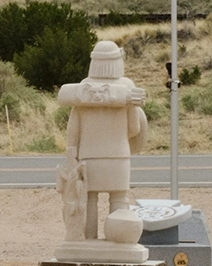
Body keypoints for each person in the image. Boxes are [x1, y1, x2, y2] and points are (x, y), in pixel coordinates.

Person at [59, 41, 147, 239]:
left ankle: (89, 240)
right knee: (119, 199)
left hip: (88, 155)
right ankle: (117, 239)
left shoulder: (82, 88)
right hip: (118, 155)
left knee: (88, 200)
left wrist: (71, 152)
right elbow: (134, 129)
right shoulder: (127, 87)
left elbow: (73, 128)